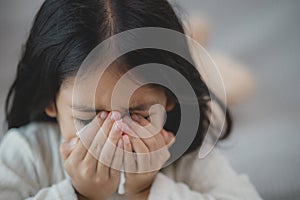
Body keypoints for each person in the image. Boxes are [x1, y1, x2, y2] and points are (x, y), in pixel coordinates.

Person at [0, 0, 262, 199]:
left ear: (170, 97)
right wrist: (78, 194)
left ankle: (197, 46)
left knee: (226, 84)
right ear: (50, 100)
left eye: (139, 113)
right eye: (89, 117)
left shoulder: (187, 155)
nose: (116, 133)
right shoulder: (26, 153)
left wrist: (147, 192)